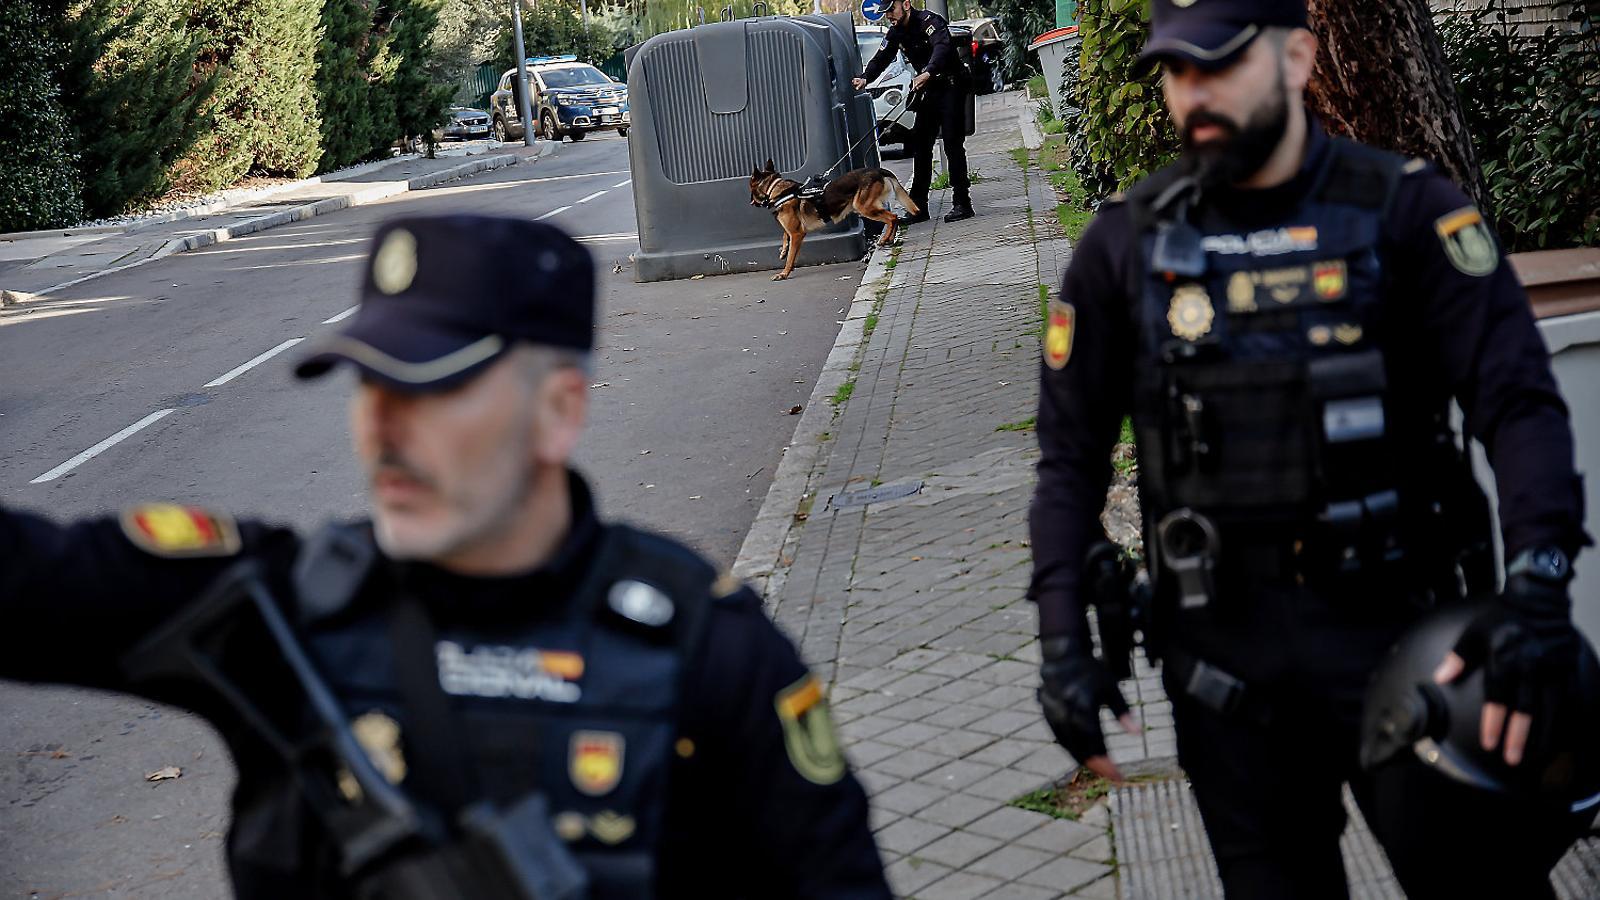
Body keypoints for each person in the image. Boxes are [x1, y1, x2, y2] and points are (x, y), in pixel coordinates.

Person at [0, 215, 892, 900]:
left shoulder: (709, 646)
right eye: (370, 382)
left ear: (560, 410)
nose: (381, 426)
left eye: (435, 386)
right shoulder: (275, 610)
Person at [1026, 0, 1594, 896]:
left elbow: (1519, 405)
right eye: (1177, 72)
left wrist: (1539, 589)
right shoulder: (1124, 249)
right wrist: (1062, 639)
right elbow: (1067, 460)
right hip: (1226, 670)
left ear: (1298, 57)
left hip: (1410, 642)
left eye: (1219, 65)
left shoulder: (1408, 213)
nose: (1193, 95)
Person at [852, 0, 976, 224]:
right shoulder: (896, 32)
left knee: (952, 144)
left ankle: (962, 203)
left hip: (951, 86)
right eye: (885, 12)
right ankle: (918, 208)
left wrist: (927, 72)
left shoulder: (930, 21)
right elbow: (882, 57)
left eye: (891, 10)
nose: (888, 15)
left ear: (906, 4)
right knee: (920, 146)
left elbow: (942, 48)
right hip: (929, 90)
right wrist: (865, 77)